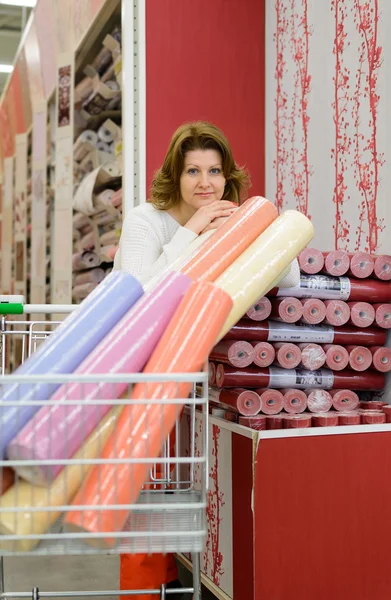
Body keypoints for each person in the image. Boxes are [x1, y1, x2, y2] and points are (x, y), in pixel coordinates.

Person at [115, 121, 300, 599]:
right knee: (145, 496)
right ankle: (142, 591)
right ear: (174, 176)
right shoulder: (146, 220)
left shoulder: (227, 218)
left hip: (200, 374)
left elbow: (293, 277)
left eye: (214, 171)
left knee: (185, 497)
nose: (204, 182)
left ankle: (175, 585)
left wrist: (247, 228)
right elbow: (139, 293)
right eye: (192, 170)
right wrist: (193, 232)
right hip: (140, 370)